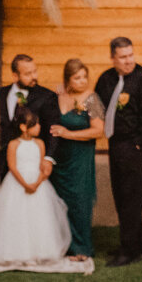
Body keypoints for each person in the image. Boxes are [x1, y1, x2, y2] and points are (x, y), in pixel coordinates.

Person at [95, 36, 142, 266]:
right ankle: (132, 244)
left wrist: (138, 143)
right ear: (112, 58)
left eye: (131, 55)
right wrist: (73, 102)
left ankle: (130, 250)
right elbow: (94, 105)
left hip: (133, 144)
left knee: (131, 196)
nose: (128, 61)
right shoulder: (106, 79)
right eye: (123, 57)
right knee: (120, 194)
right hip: (115, 144)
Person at [0, 107, 71, 264]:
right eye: (35, 124)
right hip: (17, 184)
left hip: (37, 183)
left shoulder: (39, 143)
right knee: (17, 217)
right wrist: (25, 184)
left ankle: (39, 251)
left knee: (39, 217)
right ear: (23, 127)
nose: (39, 127)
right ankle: (16, 252)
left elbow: (41, 165)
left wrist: (37, 182)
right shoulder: (13, 144)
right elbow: (12, 167)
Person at [49, 58, 105, 261]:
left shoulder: (92, 99)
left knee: (79, 201)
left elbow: (99, 131)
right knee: (58, 201)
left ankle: (82, 248)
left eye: (84, 77)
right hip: (59, 158)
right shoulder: (58, 96)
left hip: (80, 158)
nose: (82, 81)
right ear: (67, 79)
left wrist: (67, 134)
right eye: (77, 78)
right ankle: (62, 245)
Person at [0, 54, 60, 179]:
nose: (34, 77)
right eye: (28, 74)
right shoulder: (1, 94)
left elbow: (53, 130)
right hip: (5, 164)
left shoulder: (47, 96)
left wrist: (48, 158)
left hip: (34, 161)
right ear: (15, 76)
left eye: (35, 71)